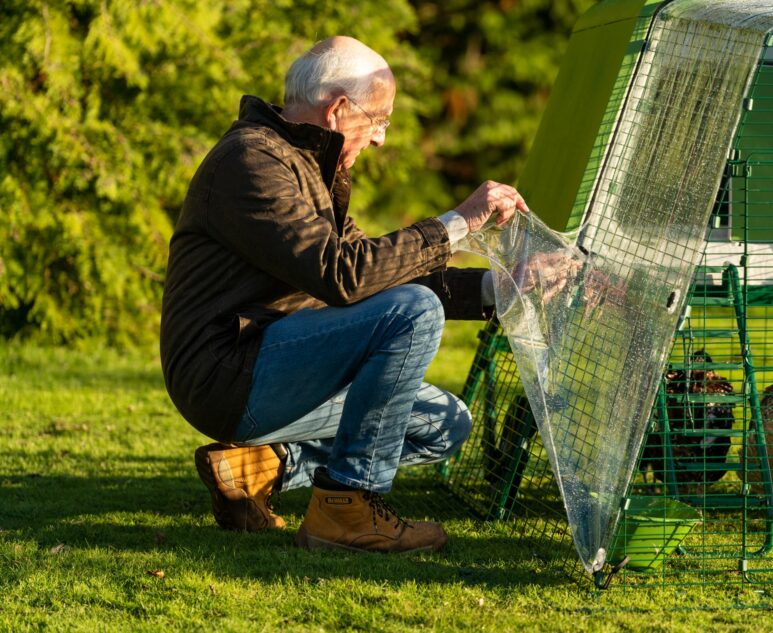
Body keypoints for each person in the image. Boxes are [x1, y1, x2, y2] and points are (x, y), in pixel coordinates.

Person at [160, 35, 528, 554]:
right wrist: (455, 225)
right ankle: (347, 506)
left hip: (274, 365)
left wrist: (502, 285)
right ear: (338, 110)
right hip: (226, 374)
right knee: (413, 312)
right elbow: (343, 276)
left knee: (444, 426)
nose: (379, 138)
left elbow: (377, 275)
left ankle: (267, 465)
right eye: (379, 120)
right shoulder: (251, 163)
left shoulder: (306, 168)